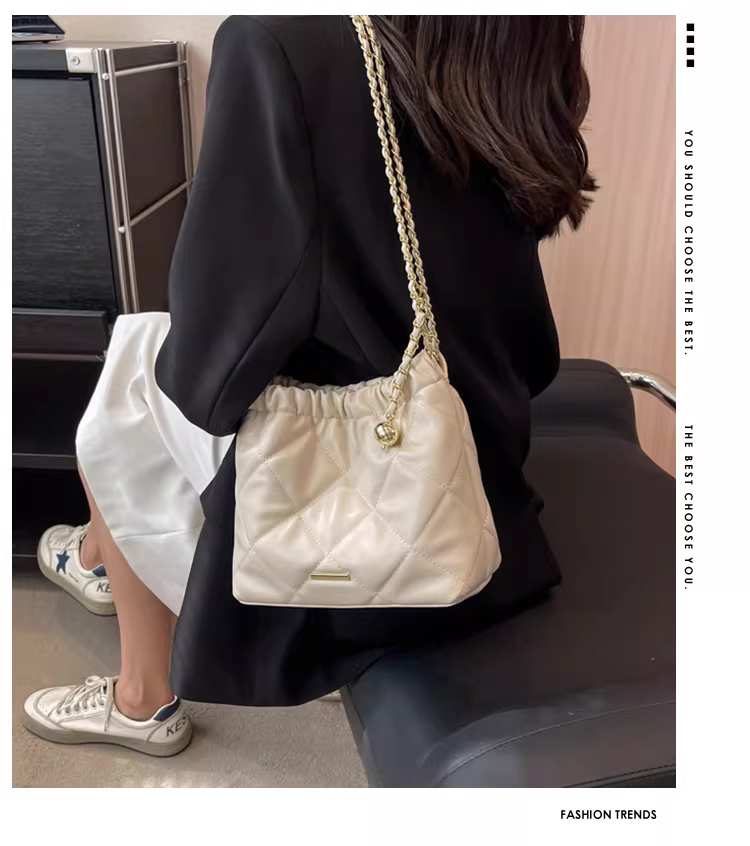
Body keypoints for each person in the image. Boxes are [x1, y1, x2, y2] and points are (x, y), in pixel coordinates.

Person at [22, 15, 597, 757]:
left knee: (130, 369)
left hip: (369, 531)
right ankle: (103, 555)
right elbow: (537, 357)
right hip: (487, 483)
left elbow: (205, 383)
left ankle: (140, 694)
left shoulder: (282, 45)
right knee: (146, 367)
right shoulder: (510, 46)